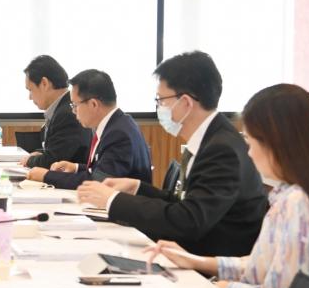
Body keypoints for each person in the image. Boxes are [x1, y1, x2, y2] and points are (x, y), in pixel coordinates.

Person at [144, 84, 309, 288]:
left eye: (251, 142)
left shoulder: (300, 204)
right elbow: (264, 266)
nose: (249, 152)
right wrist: (197, 262)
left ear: (276, 144)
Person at [77, 51, 267, 256]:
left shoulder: (221, 149)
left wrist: (113, 200)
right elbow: (184, 202)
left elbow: (189, 220)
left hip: (211, 264)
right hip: (191, 252)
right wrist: (137, 187)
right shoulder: (209, 138)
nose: (159, 107)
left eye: (161, 100)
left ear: (186, 102)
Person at [27, 69, 151, 189]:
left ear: (93, 104)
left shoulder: (118, 134)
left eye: (75, 105)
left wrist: (46, 176)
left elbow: (98, 182)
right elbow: (103, 170)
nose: (73, 111)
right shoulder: (118, 124)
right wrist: (75, 167)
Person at [19, 55, 88, 169]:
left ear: (44, 83)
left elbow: (54, 160)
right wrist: (41, 153)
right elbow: (59, 148)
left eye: (30, 90)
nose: (30, 97)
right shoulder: (61, 108)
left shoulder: (68, 113)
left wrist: (30, 160)